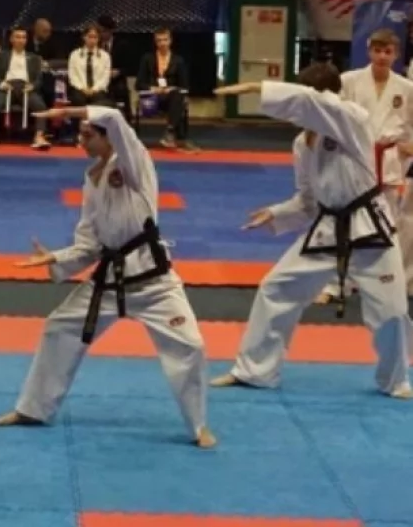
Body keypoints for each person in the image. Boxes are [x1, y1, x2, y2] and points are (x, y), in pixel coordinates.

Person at [0, 103, 215, 448]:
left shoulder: (134, 163)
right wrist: (56, 257)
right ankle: (32, 409)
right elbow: (90, 244)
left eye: (87, 135)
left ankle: (198, 426)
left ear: (109, 138)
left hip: (153, 281)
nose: (80, 141)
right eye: (80, 135)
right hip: (109, 282)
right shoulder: (91, 178)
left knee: (191, 346)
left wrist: (67, 111)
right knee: (59, 327)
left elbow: (114, 117)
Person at [212, 66, 411, 397]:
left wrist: (256, 87)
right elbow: (307, 200)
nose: (298, 112)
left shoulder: (352, 119)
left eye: (305, 100)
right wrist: (276, 213)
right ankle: (255, 370)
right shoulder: (302, 143)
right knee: (276, 288)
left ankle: (396, 380)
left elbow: (320, 103)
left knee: (391, 312)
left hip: (369, 229)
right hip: (329, 229)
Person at [318, 29, 413, 303]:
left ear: (396, 55)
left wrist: (409, 146)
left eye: (388, 52)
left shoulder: (407, 88)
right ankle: (338, 284)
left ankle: (388, 284)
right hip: (356, 160)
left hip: (389, 162)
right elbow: (335, 115)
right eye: (377, 50)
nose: (382, 56)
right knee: (347, 222)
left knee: (388, 226)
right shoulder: (349, 80)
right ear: (369, 51)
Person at [0, 27, 50, 150]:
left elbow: (39, 79)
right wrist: (1, 84)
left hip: (26, 88)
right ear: (11, 39)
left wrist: (32, 86)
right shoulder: (2, 55)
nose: (21, 40)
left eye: (23, 37)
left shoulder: (34, 58)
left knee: (40, 106)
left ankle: (39, 137)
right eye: (18, 37)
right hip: (7, 87)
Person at [136, 28, 194, 151]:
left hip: (171, 98)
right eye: (159, 40)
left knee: (177, 95)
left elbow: (184, 86)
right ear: (155, 42)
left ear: (170, 41)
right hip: (152, 98)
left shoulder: (178, 60)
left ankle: (170, 131)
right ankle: (175, 135)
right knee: (178, 101)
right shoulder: (147, 58)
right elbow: (139, 84)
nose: (162, 43)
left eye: (165, 40)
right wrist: (153, 88)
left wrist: (171, 88)